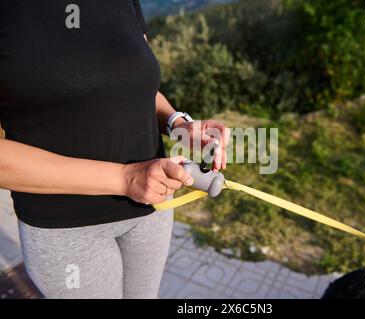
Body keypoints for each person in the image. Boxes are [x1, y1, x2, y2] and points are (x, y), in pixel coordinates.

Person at [0, 0, 229, 299]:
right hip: (66, 227)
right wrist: (125, 178)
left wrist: (178, 123)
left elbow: (133, 85)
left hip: (151, 209)